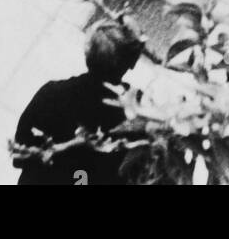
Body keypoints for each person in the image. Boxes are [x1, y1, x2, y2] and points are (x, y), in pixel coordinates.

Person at [13, 20, 142, 186]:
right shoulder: (136, 113)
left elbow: (20, 154)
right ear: (128, 64)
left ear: (87, 54)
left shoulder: (51, 94)